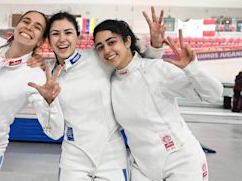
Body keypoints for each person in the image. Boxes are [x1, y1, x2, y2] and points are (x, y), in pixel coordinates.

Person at [93, 18, 223, 181]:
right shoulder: (110, 82)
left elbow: (213, 94)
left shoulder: (156, 70)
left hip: (181, 162)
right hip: (142, 168)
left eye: (111, 42)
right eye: (100, 47)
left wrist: (193, 68)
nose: (107, 50)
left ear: (127, 41)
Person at [44, 9, 165, 181]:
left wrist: (155, 47)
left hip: (112, 156)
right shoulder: (46, 73)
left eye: (68, 32)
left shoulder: (98, 56)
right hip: (73, 158)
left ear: (78, 37)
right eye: (55, 34)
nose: (62, 39)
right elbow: (53, 131)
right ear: (49, 40)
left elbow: (136, 68)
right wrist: (48, 102)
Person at [0, 10, 64, 181]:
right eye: (26, 21)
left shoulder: (35, 76)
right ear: (17, 26)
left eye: (37, 27)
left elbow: (55, 132)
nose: (29, 27)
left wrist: (50, 102)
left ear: (41, 40)